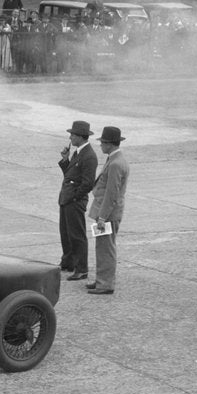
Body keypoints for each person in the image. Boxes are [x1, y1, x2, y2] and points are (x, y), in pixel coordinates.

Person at [87, 126, 130, 295]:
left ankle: (105, 284)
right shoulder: (115, 159)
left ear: (110, 144)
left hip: (108, 214)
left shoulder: (116, 163)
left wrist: (102, 217)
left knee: (106, 248)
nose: (101, 146)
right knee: (102, 247)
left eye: (103, 143)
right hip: (109, 212)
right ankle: (101, 280)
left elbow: (111, 193)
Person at [57, 120, 98, 280]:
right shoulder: (78, 152)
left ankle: (81, 269)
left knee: (77, 235)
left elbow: (88, 183)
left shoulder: (88, 156)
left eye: (73, 135)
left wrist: (75, 196)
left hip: (74, 200)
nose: (70, 137)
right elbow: (70, 175)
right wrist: (65, 160)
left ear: (81, 136)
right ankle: (68, 262)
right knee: (65, 233)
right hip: (66, 198)